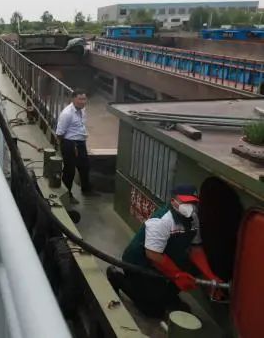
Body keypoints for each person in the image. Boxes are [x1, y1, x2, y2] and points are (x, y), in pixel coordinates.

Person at [106, 185, 224, 318]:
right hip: (139, 262)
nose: (189, 206)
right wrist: (178, 275)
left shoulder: (194, 219)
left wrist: (210, 276)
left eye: (192, 202)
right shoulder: (162, 221)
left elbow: (196, 249)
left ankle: (167, 297)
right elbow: (153, 255)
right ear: (173, 201)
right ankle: (117, 277)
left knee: (191, 270)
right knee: (152, 310)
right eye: (185, 202)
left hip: (164, 259)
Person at [56, 89, 93, 200]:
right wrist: (65, 147)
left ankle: (86, 189)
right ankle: (67, 194)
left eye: (84, 99)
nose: (83, 102)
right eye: (80, 99)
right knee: (70, 170)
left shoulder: (82, 110)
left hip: (80, 142)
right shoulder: (67, 114)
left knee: (85, 166)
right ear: (73, 99)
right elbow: (59, 133)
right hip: (70, 143)